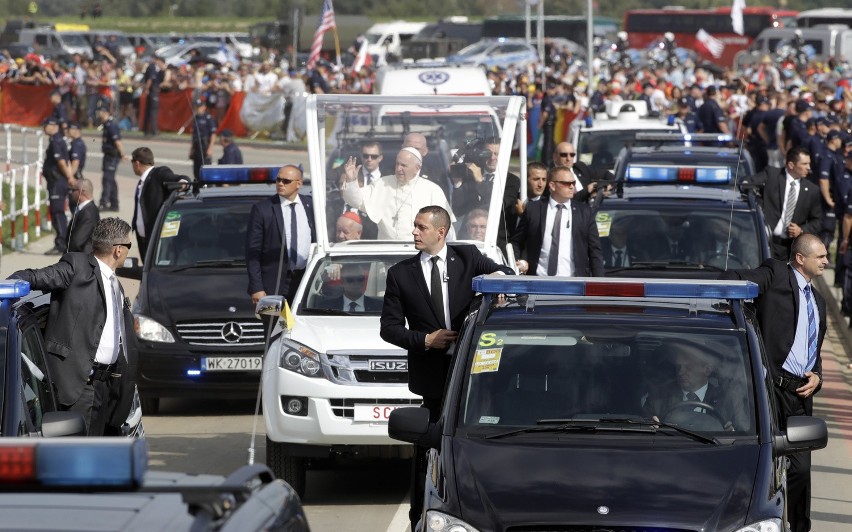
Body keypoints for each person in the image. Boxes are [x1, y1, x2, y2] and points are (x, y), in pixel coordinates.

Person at [379, 205, 513, 531]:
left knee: (472, 447)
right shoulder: (401, 273)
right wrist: (426, 339)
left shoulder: (467, 257)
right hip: (432, 380)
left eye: (421, 227)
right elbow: (389, 328)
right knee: (428, 451)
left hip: (474, 378)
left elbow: (504, 273)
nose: (414, 232)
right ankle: (419, 517)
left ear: (441, 232)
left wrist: (497, 291)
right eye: (414, 226)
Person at [721, 234, 827, 532]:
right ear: (799, 258)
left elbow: (813, 351)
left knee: (801, 471)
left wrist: (817, 377)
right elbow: (740, 278)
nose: (825, 261)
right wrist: (717, 290)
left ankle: (800, 527)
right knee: (763, 463)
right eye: (820, 256)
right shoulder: (776, 274)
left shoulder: (818, 301)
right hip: (769, 390)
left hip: (800, 396)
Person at [9, 217, 138, 436]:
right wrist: (6, 290)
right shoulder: (76, 267)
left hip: (108, 387)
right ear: (118, 250)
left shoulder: (115, 282)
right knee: (81, 456)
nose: (128, 252)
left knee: (98, 454)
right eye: (128, 246)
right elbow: (34, 277)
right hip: (79, 386)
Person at [339, 147, 453, 240]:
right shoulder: (383, 183)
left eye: (403, 165)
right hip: (387, 252)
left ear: (417, 168)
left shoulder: (432, 190)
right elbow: (355, 200)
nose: (398, 168)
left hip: (417, 253)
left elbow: (446, 227)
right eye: (397, 164)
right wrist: (351, 181)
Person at [511, 165, 604, 277]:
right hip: (537, 282)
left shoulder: (584, 212)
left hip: (573, 283)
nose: (572, 187)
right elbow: (516, 242)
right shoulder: (533, 209)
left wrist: (599, 282)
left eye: (573, 183)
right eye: (567, 183)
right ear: (552, 185)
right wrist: (519, 261)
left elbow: (595, 251)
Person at [642, 339, 749, 431]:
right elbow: (641, 424)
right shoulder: (659, 397)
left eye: (688, 367)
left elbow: (744, 435)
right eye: (679, 367)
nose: (680, 372)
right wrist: (650, 425)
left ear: (707, 370)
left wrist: (732, 433)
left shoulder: (727, 399)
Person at [246, 164, 316, 306]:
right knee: (275, 326)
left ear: (299, 184)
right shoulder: (263, 209)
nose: (280, 184)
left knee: (301, 327)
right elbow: (252, 252)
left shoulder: (310, 205)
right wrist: (257, 288)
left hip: (304, 281)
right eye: (278, 180)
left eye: (286, 181)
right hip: (273, 284)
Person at [747, 146, 822, 260]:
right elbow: (748, 184)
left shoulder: (812, 190)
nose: (809, 168)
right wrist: (759, 205)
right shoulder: (772, 174)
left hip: (789, 249)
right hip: (766, 243)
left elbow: (818, 221)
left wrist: (801, 230)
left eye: (809, 163)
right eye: (804, 164)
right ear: (791, 165)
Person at [451, 137, 521, 251]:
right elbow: (458, 210)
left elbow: (501, 205)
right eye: (488, 153)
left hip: (497, 240)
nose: (492, 158)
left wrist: (480, 181)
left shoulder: (511, 181)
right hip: (469, 238)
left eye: (497, 154)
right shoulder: (469, 175)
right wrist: (457, 183)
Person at [130, 147, 189, 260]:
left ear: (137, 163)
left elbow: (179, 178)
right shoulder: (142, 181)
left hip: (156, 238)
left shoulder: (158, 173)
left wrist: (183, 183)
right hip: (143, 238)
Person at [42, 116, 75, 256]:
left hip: (57, 182)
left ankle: (61, 244)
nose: (44, 128)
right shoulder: (58, 139)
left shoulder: (56, 141)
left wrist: (69, 177)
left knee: (57, 212)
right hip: (57, 181)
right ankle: (62, 242)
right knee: (57, 212)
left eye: (46, 125)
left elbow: (61, 162)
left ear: (53, 126)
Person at [97, 97, 126, 212]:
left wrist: (122, 154)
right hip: (108, 156)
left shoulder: (111, 126)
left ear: (106, 113)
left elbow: (117, 142)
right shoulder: (106, 125)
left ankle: (104, 203)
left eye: (100, 112)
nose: (99, 114)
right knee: (111, 180)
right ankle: (114, 203)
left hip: (112, 156)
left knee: (107, 180)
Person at [318, 262, 382, 312]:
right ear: (342, 282)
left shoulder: (381, 307)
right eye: (350, 280)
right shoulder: (326, 307)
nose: (356, 283)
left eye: (360, 279)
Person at [66, 178, 100, 254]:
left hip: (81, 258)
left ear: (80, 192)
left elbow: (77, 241)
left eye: (73, 190)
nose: (71, 193)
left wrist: (67, 255)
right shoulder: (85, 209)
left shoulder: (88, 213)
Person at [189, 98, 217, 180]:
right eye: (196, 107)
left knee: (205, 170)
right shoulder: (195, 118)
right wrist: (191, 149)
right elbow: (193, 135)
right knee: (196, 170)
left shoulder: (208, 118)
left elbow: (213, 134)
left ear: (204, 107)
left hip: (205, 146)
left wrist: (210, 148)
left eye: (199, 107)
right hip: (196, 146)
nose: (197, 109)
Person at [141, 55, 164, 137]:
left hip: (152, 90)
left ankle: (146, 129)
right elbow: (150, 79)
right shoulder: (152, 67)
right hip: (152, 91)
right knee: (153, 111)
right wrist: (147, 88)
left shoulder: (154, 67)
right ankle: (153, 130)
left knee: (148, 111)